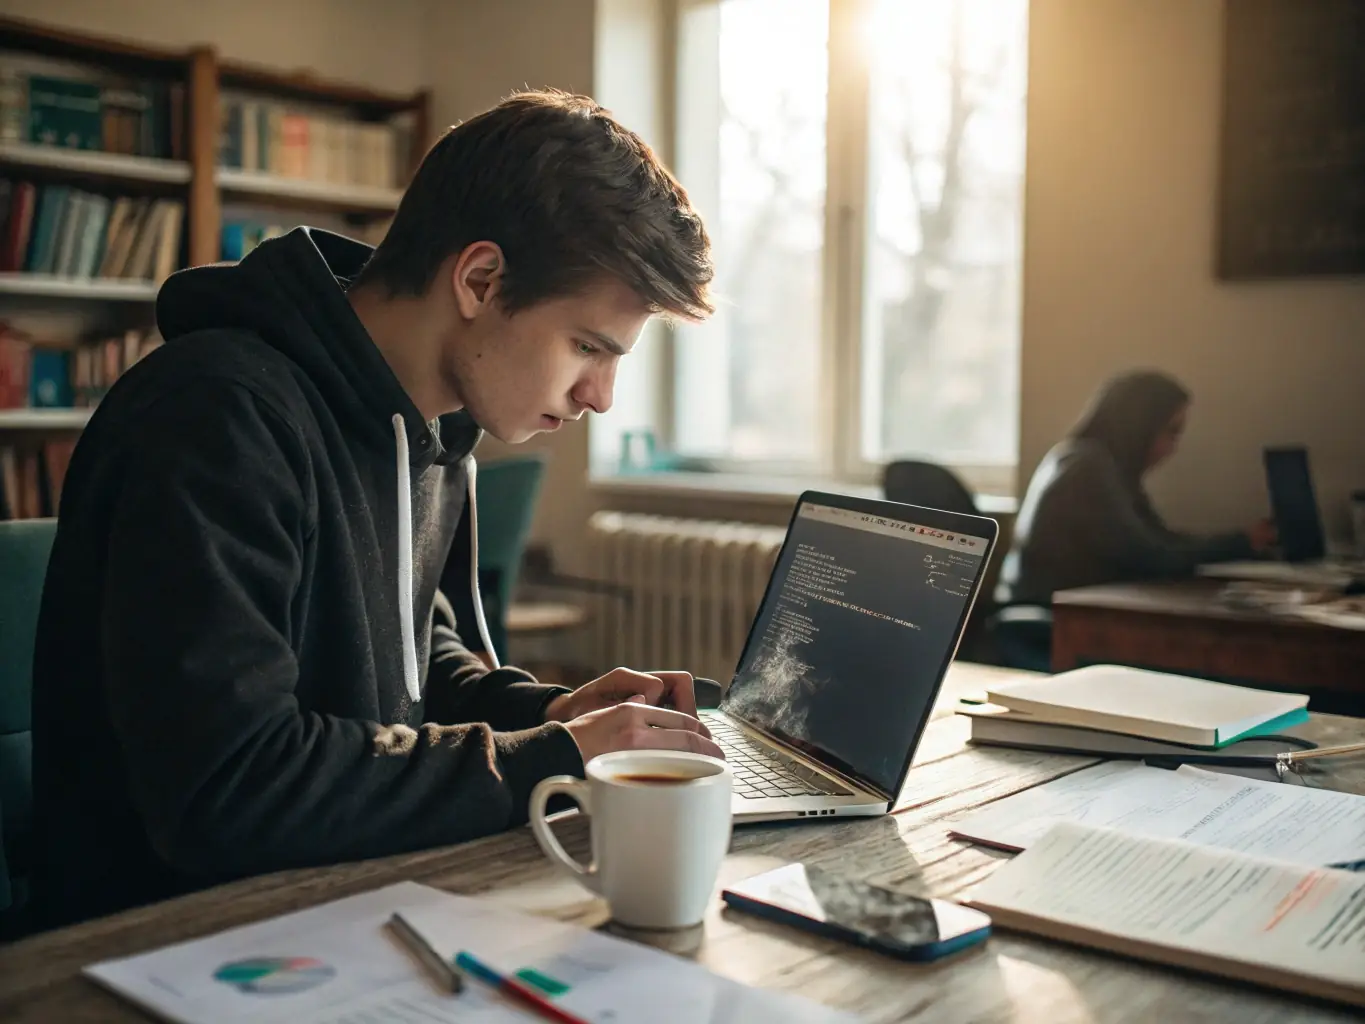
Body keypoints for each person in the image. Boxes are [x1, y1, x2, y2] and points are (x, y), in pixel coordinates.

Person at [30, 90, 723, 930]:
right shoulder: (216, 416)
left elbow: (409, 664)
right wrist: (555, 758)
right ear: (479, 279)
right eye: (587, 346)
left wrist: (544, 714)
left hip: (346, 897)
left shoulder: (431, 433)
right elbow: (230, 787)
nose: (601, 397)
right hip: (165, 941)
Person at [996, 369, 1275, 613]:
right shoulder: (1087, 470)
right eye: (1171, 431)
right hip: (1053, 623)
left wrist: (1243, 544)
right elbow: (1151, 558)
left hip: (1071, 612)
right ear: (1139, 425)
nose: (1174, 447)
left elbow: (1162, 540)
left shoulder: (1096, 463)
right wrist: (1240, 543)